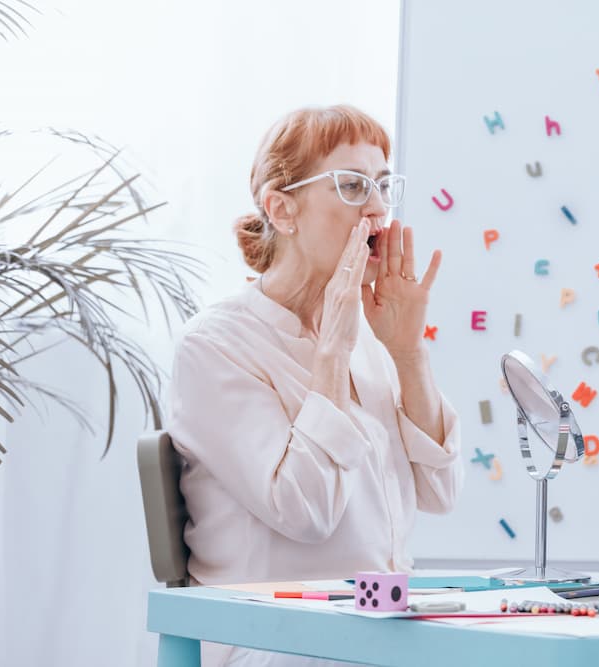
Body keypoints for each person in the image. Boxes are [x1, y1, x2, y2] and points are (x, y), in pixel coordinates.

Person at [167, 105, 462, 666]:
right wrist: (332, 353)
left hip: (380, 632)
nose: (377, 209)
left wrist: (407, 352)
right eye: (352, 186)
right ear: (282, 209)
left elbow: (442, 493)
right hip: (275, 641)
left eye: (382, 186)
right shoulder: (214, 345)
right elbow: (305, 512)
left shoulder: (369, 336)